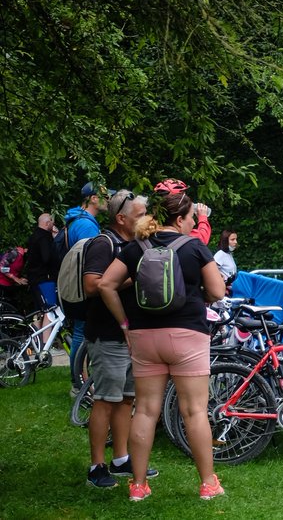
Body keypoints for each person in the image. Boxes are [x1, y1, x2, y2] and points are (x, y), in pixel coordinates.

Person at [97, 188, 226, 501]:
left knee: (145, 411)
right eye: (192, 218)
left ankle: (138, 486)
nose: (193, 223)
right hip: (188, 336)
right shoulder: (195, 247)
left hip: (144, 336)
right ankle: (208, 483)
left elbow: (105, 284)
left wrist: (125, 324)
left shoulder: (135, 246)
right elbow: (218, 291)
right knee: (194, 411)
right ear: (180, 218)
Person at [80, 190, 157, 489]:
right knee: (104, 400)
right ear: (121, 218)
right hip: (108, 334)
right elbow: (92, 285)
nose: (145, 220)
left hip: (130, 335)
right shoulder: (104, 243)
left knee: (126, 399)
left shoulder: (133, 243)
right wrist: (133, 273)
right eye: (139, 215)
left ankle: (122, 458)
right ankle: (96, 465)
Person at [65, 182, 110, 368]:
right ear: (93, 198)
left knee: (79, 332)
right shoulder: (86, 225)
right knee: (82, 334)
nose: (108, 200)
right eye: (105, 196)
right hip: (84, 286)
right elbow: (90, 260)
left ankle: (78, 379)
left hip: (77, 283)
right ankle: (78, 382)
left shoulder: (78, 219)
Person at [23, 214, 56, 338]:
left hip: (33, 278)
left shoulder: (33, 236)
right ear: (48, 223)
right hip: (45, 278)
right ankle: (46, 343)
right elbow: (47, 257)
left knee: (38, 311)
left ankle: (36, 341)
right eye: (52, 222)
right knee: (50, 310)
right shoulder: (45, 237)